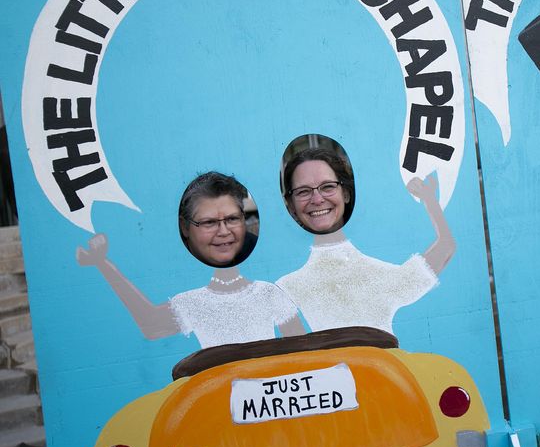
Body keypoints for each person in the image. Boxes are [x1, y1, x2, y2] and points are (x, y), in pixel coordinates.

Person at [76, 171, 305, 349]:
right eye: (208, 223)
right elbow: (151, 325)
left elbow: (302, 349)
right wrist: (103, 263)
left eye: (232, 219)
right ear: (185, 227)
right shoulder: (193, 302)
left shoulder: (268, 293)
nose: (223, 231)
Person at [277, 147, 455, 334]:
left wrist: (429, 199)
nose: (317, 198)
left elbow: (446, 247)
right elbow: (299, 356)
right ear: (291, 205)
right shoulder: (287, 288)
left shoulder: (377, 276)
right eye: (303, 191)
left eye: (328, 187)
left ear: (345, 193)